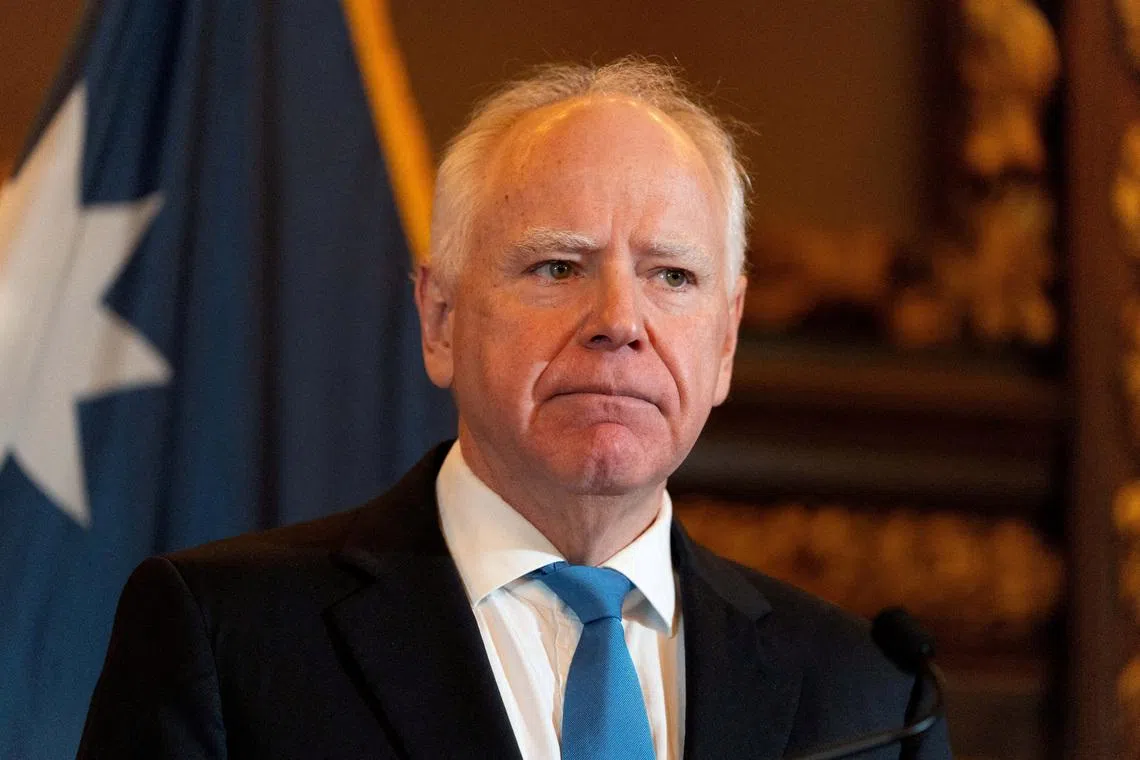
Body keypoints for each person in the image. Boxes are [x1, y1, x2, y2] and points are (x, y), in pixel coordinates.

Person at [77, 59, 952, 759]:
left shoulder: (866, 695)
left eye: (672, 276)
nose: (619, 322)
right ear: (440, 320)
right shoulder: (230, 640)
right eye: (557, 267)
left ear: (724, 342)